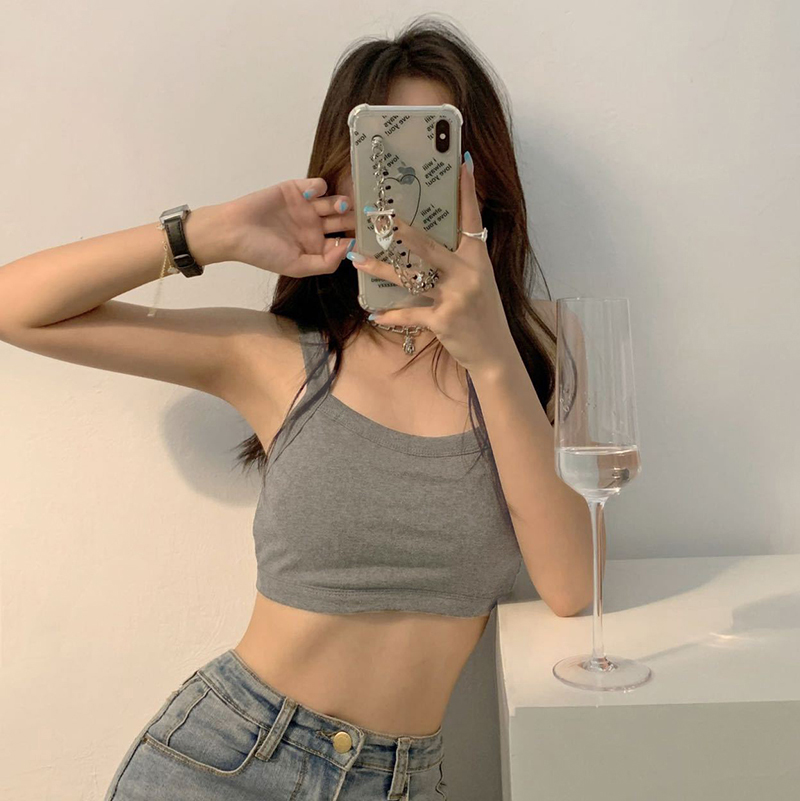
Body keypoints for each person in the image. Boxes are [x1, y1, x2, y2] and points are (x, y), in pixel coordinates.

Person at [0, 15, 592, 801]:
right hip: (225, 761)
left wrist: (488, 350)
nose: (407, 188)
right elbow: (17, 308)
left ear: (483, 178)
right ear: (342, 179)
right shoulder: (281, 354)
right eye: (382, 156)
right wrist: (211, 232)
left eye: (436, 151)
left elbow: (572, 585)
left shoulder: (543, 346)